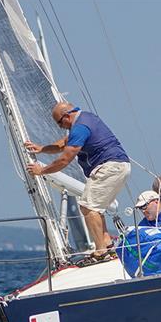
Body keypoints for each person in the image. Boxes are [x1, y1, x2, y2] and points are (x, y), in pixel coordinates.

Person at [25, 102, 131, 260]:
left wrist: (41, 171)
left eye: (60, 123)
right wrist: (42, 148)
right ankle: (108, 245)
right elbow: (63, 143)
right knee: (95, 207)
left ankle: (101, 252)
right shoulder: (87, 119)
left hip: (109, 167)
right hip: (119, 166)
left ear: (67, 116)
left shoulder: (80, 127)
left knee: (88, 207)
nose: (61, 127)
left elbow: (64, 160)